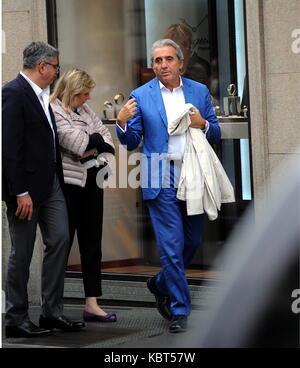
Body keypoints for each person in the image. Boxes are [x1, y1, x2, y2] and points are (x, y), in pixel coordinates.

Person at [116, 39, 221, 333]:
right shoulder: (140, 95)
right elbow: (132, 140)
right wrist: (122, 124)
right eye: (157, 61)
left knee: (192, 242)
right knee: (171, 249)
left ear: (180, 62)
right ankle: (179, 311)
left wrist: (203, 123)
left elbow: (216, 132)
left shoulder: (199, 91)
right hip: (157, 177)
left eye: (167, 59)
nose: (162, 65)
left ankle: (159, 283)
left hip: (194, 175)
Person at [2, 42, 85, 338]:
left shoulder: (43, 95)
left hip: (50, 184)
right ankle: (16, 317)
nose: (57, 72)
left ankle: (52, 312)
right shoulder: (13, 92)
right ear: (42, 67)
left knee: (61, 238)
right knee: (22, 253)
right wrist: (19, 191)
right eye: (55, 67)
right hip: (25, 189)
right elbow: (9, 147)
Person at [50, 69, 117, 322]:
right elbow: (77, 144)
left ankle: (92, 304)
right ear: (72, 92)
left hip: (92, 184)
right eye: (84, 93)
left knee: (92, 246)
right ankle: (52, 306)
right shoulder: (55, 110)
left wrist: (95, 142)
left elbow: (109, 143)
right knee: (61, 245)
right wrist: (95, 141)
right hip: (68, 187)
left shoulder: (85, 111)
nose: (89, 98)